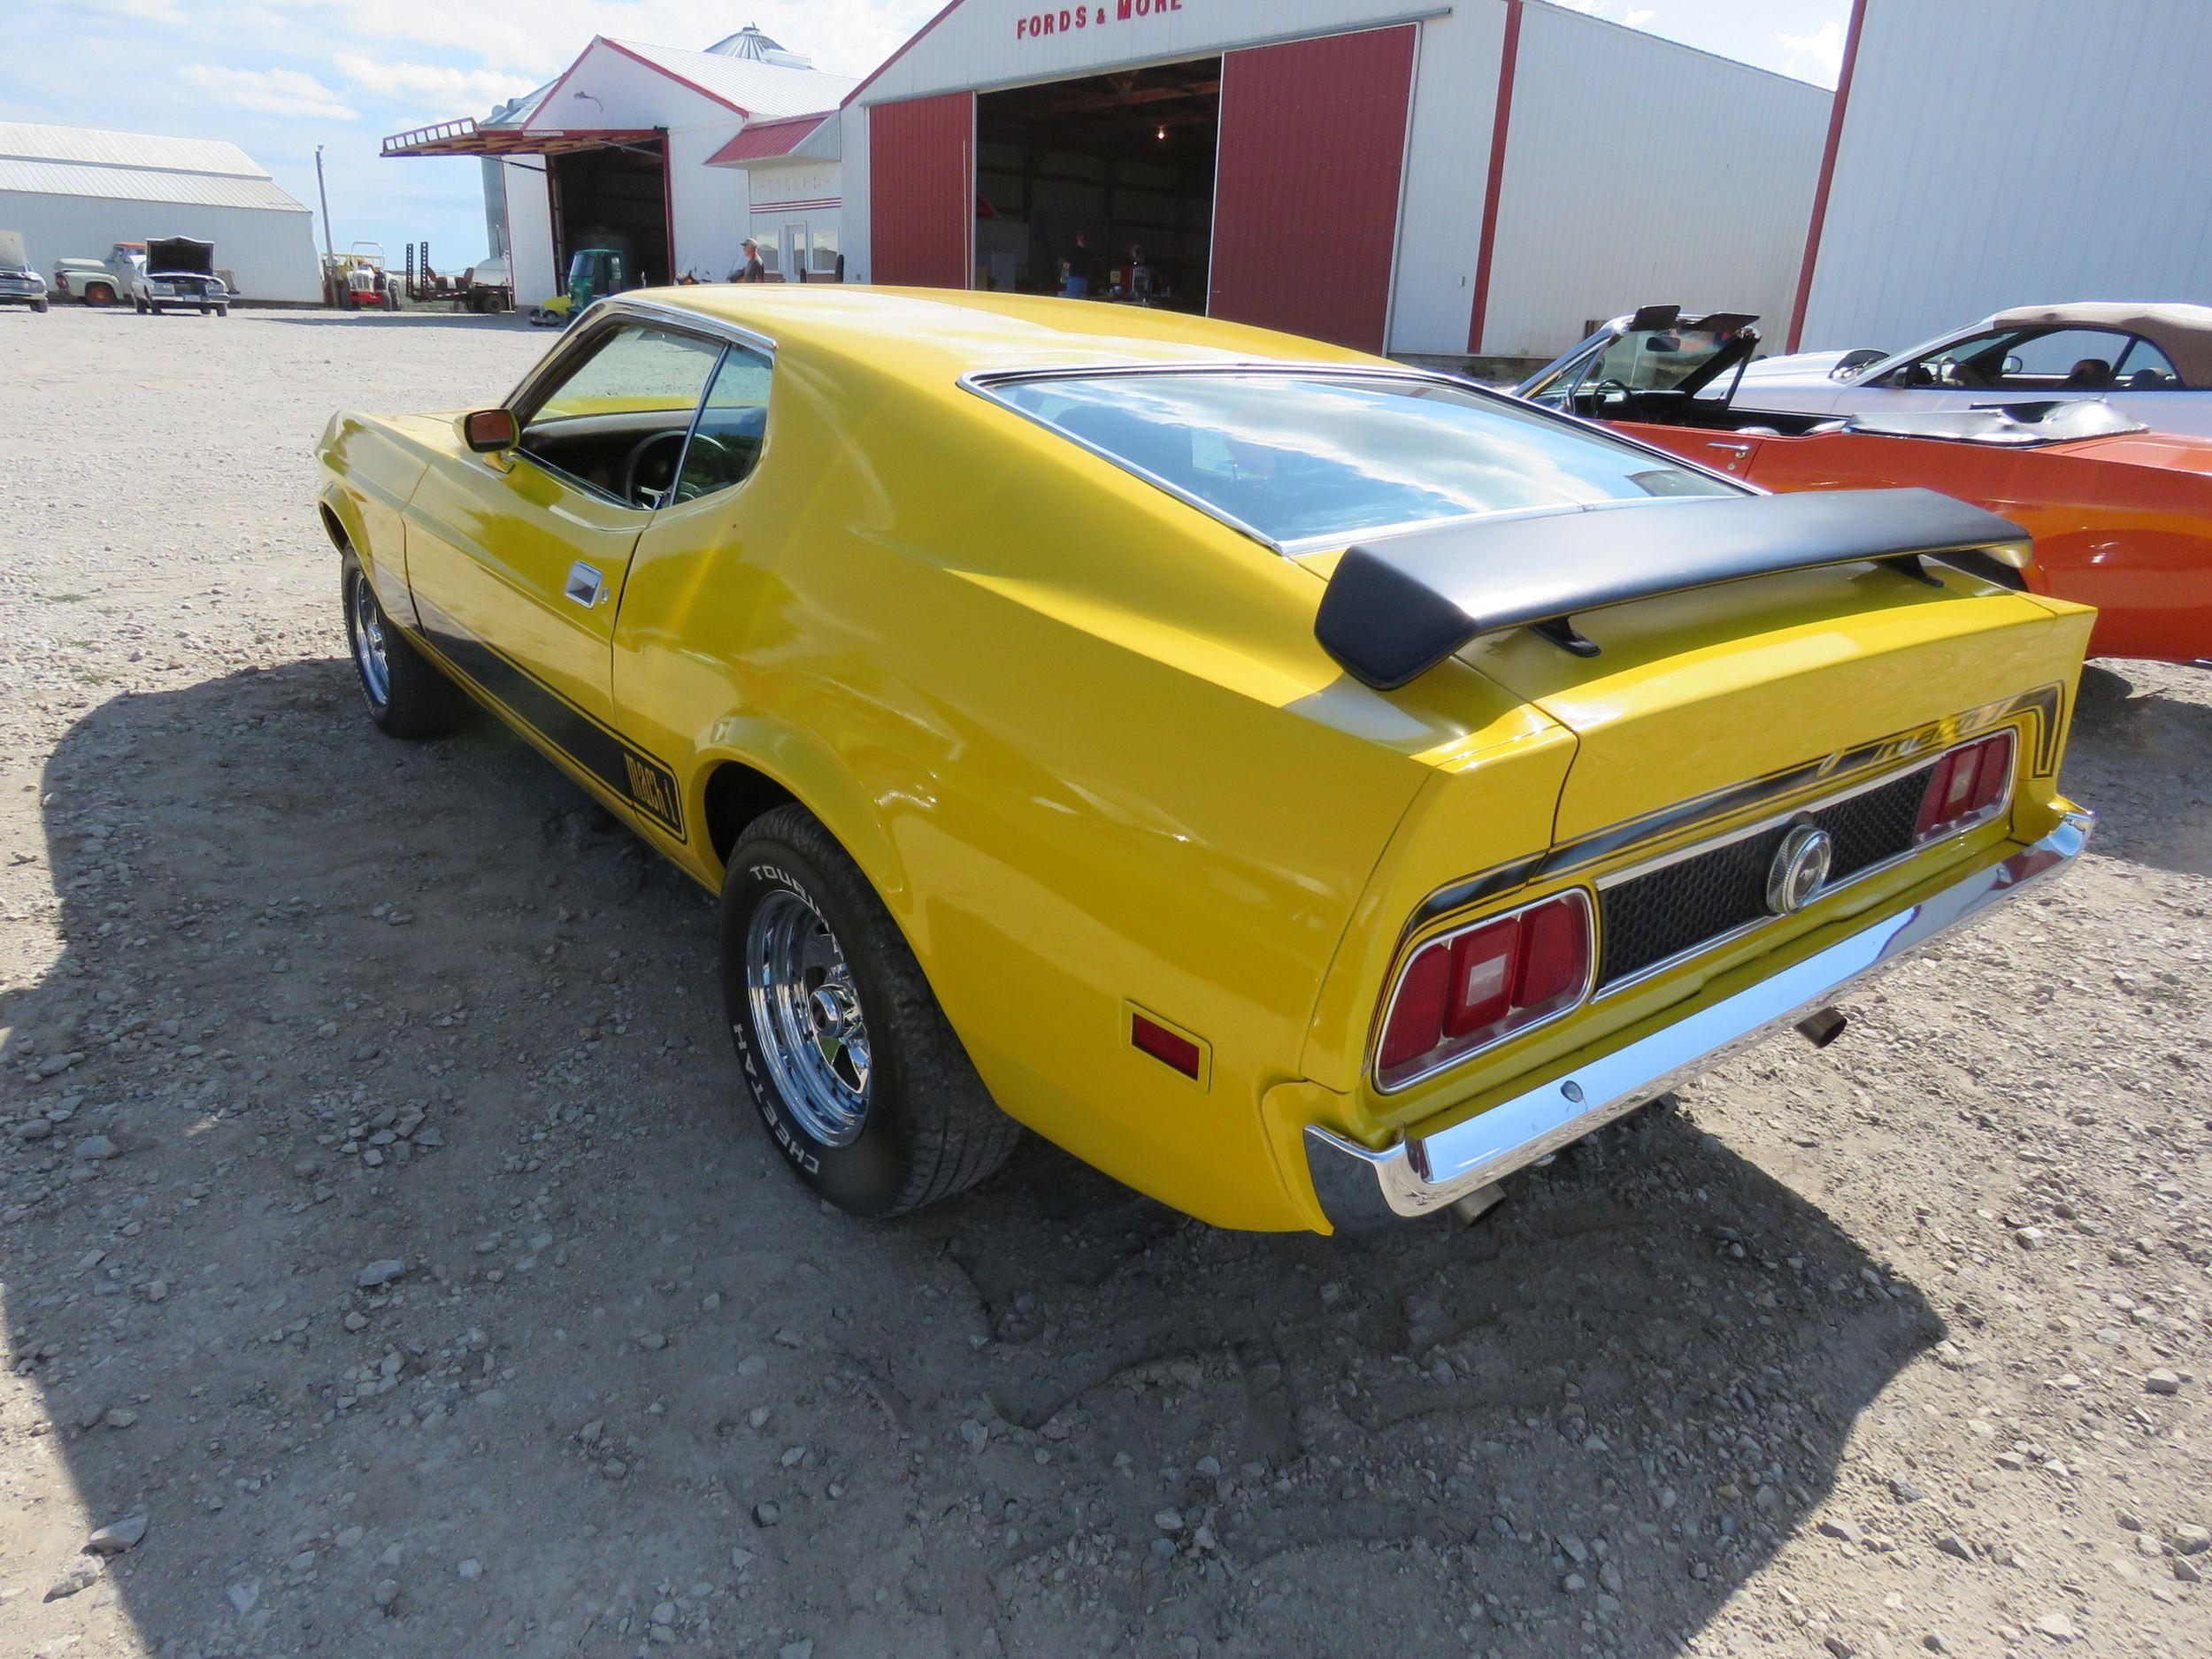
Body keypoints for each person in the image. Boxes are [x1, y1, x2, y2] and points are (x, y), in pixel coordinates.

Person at [1060, 232, 1092, 299]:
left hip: (1074, 279)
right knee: (1082, 302)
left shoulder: (1072, 251)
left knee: (1071, 301)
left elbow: (1066, 266)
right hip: (1084, 280)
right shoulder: (1089, 252)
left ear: (1077, 239)